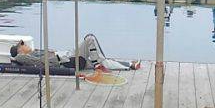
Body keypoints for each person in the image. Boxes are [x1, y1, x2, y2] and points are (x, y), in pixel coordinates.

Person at [10, 34, 140, 71]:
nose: (26, 45)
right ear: (20, 50)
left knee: (99, 60)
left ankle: (129, 65)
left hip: (68, 56)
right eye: (23, 45)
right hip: (66, 60)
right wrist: (17, 55)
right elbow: (21, 58)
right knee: (89, 39)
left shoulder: (33, 52)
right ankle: (98, 64)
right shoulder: (23, 56)